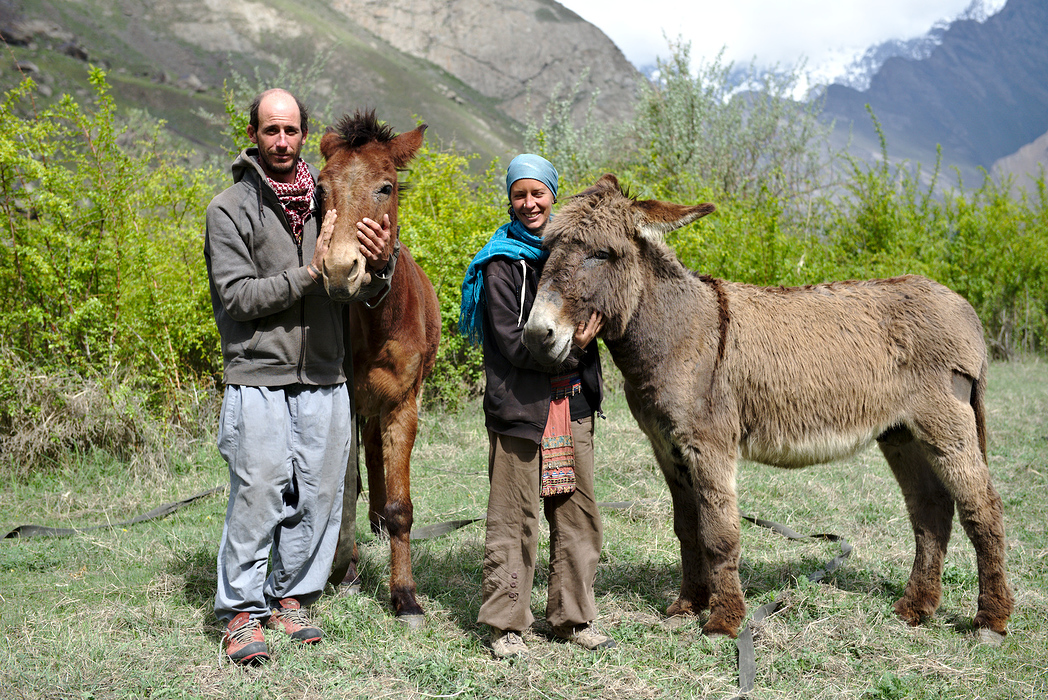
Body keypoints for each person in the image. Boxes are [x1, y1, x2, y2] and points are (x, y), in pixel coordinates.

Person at [204, 88, 398, 665]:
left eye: (291, 131)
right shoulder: (230, 209)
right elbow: (236, 298)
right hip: (258, 372)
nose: (282, 142)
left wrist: (381, 266)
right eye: (271, 131)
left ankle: (292, 598)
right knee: (259, 492)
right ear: (254, 135)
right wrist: (307, 274)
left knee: (318, 495)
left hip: (323, 373)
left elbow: (356, 293)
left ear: (304, 136)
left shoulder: (328, 201)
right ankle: (241, 611)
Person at [459, 154, 613, 659]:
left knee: (577, 514)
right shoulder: (500, 263)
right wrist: (578, 348)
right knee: (514, 516)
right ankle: (506, 625)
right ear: (510, 199)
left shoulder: (573, 255)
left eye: (538, 193)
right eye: (519, 194)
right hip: (519, 408)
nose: (529, 203)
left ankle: (572, 617)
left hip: (572, 405)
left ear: (552, 194)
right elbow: (512, 343)